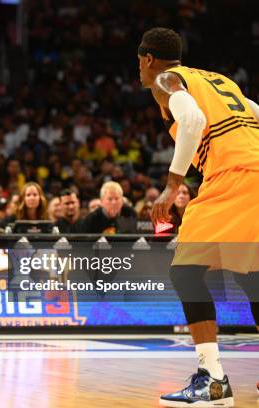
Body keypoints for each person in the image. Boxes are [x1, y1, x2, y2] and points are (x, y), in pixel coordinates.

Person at [138, 27, 259, 407]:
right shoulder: (219, 80)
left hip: (233, 175)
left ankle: (214, 381)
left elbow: (190, 121)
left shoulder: (164, 79)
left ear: (146, 59)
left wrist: (173, 186)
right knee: (251, 275)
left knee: (186, 270)